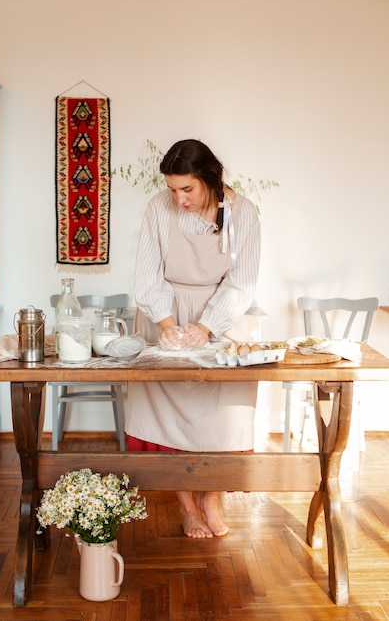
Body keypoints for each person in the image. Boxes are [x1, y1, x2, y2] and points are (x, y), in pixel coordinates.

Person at [126, 139, 261, 538]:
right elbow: (148, 275)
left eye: (187, 189)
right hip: (164, 311)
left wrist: (205, 328)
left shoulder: (244, 213)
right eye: (172, 189)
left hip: (222, 314)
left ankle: (211, 498)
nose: (178, 198)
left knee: (227, 411)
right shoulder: (157, 207)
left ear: (210, 179)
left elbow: (242, 282)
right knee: (166, 406)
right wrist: (170, 329)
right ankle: (185, 503)